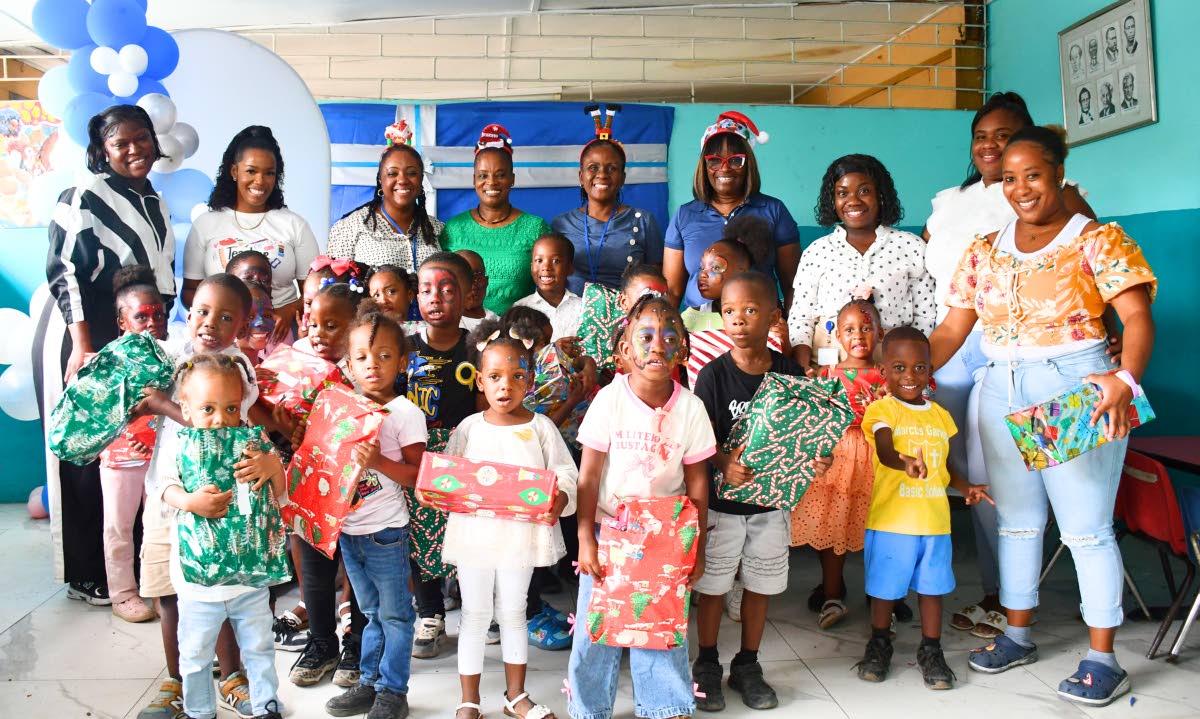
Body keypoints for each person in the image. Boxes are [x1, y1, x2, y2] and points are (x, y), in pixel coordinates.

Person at [932, 126, 1156, 707]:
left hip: (1076, 388)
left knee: (1085, 527)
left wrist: (1124, 380)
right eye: (1010, 178)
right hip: (1001, 384)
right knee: (1017, 521)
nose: (1022, 188)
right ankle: (1017, 633)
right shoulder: (984, 248)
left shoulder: (1097, 239)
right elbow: (954, 330)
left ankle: (1104, 658)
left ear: (1059, 173)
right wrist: (900, 377)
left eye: (1033, 174)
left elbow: (1135, 318)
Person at [921, 91, 1096, 641]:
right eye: (982, 136)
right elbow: (942, 283)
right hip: (954, 337)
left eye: (1006, 135)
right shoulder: (950, 201)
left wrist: (1112, 348)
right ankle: (974, 591)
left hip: (1022, 346)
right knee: (962, 469)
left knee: (1016, 473)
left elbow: (1092, 272)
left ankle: (1013, 600)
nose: (992, 146)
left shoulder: (1063, 198)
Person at [43, 103, 176, 605]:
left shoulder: (155, 202)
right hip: (94, 332)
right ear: (102, 151)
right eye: (120, 143)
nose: (134, 149)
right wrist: (83, 346)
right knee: (89, 450)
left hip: (140, 336)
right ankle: (89, 574)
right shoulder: (83, 196)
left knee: (135, 450)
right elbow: (65, 273)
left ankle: (134, 567)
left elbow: (161, 279)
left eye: (141, 138)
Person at [569, 293, 715, 719]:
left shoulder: (690, 408)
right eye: (646, 336)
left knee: (663, 625)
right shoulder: (609, 401)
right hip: (609, 535)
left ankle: (666, 704)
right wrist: (584, 539)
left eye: (670, 337)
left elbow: (698, 483)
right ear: (624, 349)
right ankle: (588, 707)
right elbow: (589, 476)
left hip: (667, 540)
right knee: (597, 627)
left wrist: (697, 548)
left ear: (683, 349)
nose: (657, 346)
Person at [421, 320, 577, 719]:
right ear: (479, 381)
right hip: (476, 536)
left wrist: (560, 497)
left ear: (530, 380)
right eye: (494, 377)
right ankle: (469, 699)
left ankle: (515, 695)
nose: (505, 386)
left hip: (518, 537)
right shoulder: (469, 428)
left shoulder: (540, 427)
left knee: (512, 611)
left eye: (516, 376)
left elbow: (565, 472)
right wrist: (432, 490)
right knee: (473, 613)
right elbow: (450, 476)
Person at [137, 274, 264, 719]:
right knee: (167, 591)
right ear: (189, 313)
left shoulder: (238, 370)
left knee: (222, 591)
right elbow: (136, 399)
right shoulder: (169, 356)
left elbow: (219, 426)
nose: (211, 323)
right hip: (168, 494)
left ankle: (232, 677)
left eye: (226, 317)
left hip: (216, 503)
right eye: (204, 311)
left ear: (243, 326)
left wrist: (162, 406)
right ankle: (177, 679)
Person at [691, 271, 807, 712]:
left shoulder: (789, 372)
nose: (737, 320)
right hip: (722, 506)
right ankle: (705, 662)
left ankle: (747, 663)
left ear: (774, 318)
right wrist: (723, 462)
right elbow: (700, 443)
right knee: (714, 586)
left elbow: (804, 433)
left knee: (760, 585)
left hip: (770, 505)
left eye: (750, 311)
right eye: (729, 311)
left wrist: (817, 457)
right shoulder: (712, 377)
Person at [854, 327, 992, 690]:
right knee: (885, 590)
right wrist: (905, 463)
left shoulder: (940, 416)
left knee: (933, 590)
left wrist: (966, 488)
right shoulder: (882, 409)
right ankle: (879, 643)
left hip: (934, 523)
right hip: (891, 522)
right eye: (898, 367)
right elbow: (884, 450)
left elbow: (947, 469)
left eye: (919, 368)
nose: (910, 377)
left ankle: (931, 650)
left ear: (931, 370)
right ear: (883, 371)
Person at [157, 353, 286, 719]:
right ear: (185, 405)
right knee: (195, 653)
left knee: (260, 647)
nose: (220, 420)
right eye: (208, 408)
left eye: (231, 408)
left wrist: (272, 465)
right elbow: (164, 486)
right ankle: (199, 710)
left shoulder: (254, 443)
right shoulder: (178, 444)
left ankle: (266, 706)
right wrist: (190, 501)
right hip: (198, 584)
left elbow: (279, 494)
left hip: (251, 578)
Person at [324, 303, 427, 719]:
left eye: (384, 356)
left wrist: (378, 462)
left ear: (402, 362)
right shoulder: (343, 407)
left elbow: (419, 476)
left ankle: (394, 692)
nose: (373, 366)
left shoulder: (405, 412)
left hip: (386, 532)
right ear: (348, 364)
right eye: (362, 358)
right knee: (369, 614)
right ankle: (369, 682)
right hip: (349, 531)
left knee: (397, 616)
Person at [286, 281, 370, 690]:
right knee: (317, 572)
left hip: (359, 493)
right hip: (312, 487)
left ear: (356, 327)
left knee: (359, 571)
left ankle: (355, 643)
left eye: (332, 325)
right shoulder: (294, 367)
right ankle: (321, 643)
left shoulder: (366, 372)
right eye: (312, 322)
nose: (318, 332)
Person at [788, 154, 935, 368]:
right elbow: (801, 317)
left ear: (881, 195)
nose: (853, 201)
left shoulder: (910, 246)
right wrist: (803, 367)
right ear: (833, 200)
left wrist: (911, 363)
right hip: (827, 364)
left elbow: (925, 315)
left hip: (892, 362)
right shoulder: (817, 251)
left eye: (864, 191)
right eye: (842, 193)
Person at [406, 252, 484, 659]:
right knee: (421, 537)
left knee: (465, 533)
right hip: (415, 456)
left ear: (468, 294)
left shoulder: (476, 348)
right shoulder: (404, 348)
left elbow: (484, 406)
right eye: (426, 289)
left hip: (463, 454)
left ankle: (475, 608)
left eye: (448, 290)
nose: (436, 297)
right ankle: (430, 614)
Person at [790, 299, 884, 630]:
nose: (858, 335)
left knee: (879, 528)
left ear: (880, 333)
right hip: (837, 460)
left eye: (866, 327)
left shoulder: (888, 375)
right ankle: (832, 594)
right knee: (833, 528)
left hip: (877, 459)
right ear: (838, 338)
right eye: (849, 330)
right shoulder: (827, 375)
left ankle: (884, 594)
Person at [183, 126, 318, 343]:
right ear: (235, 172)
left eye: (269, 173)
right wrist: (223, 316)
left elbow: (314, 293)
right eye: (251, 171)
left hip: (280, 337)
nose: (260, 181)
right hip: (222, 337)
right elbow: (190, 290)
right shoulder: (206, 224)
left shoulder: (294, 224)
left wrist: (286, 311)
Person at [663, 111, 800, 310]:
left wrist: (791, 334)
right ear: (704, 165)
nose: (724, 168)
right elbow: (673, 291)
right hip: (699, 329)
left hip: (760, 327)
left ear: (748, 164)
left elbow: (792, 286)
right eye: (714, 160)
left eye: (736, 160)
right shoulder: (685, 216)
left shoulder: (774, 210)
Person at [100, 265, 168, 624]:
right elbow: (97, 416)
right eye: (142, 316)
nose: (153, 321)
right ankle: (123, 592)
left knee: (158, 525)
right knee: (120, 527)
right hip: (122, 458)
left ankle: (157, 588)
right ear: (123, 322)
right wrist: (131, 438)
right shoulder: (108, 361)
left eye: (159, 313)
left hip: (162, 459)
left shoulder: (172, 355)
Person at [550, 107, 663, 295]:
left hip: (628, 317)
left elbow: (656, 282)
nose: (602, 175)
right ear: (581, 177)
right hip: (572, 318)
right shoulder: (560, 225)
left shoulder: (643, 221)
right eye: (593, 168)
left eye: (612, 168)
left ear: (623, 178)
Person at [441, 124, 551, 315]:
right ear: (474, 180)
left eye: (500, 175)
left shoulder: (535, 227)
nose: (491, 182)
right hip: (462, 331)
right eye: (483, 175)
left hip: (517, 333)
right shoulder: (454, 228)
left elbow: (549, 286)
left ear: (512, 179)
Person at [327, 134, 444, 273]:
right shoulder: (351, 227)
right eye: (393, 174)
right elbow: (335, 288)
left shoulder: (436, 228)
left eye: (412, 173)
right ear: (380, 180)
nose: (402, 180)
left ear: (421, 179)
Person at [682, 215, 772, 332]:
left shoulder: (762, 316)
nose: (703, 274)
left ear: (742, 272)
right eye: (702, 267)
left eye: (715, 267)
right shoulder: (689, 318)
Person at [512, 232, 584, 343]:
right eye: (539, 261)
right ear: (531, 267)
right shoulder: (520, 309)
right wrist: (553, 351)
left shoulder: (583, 308)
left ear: (570, 268)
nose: (546, 267)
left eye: (556, 261)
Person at [455, 249, 499, 332]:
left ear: (486, 281)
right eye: (463, 279)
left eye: (477, 277)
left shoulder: (498, 324)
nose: (472, 285)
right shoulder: (445, 325)